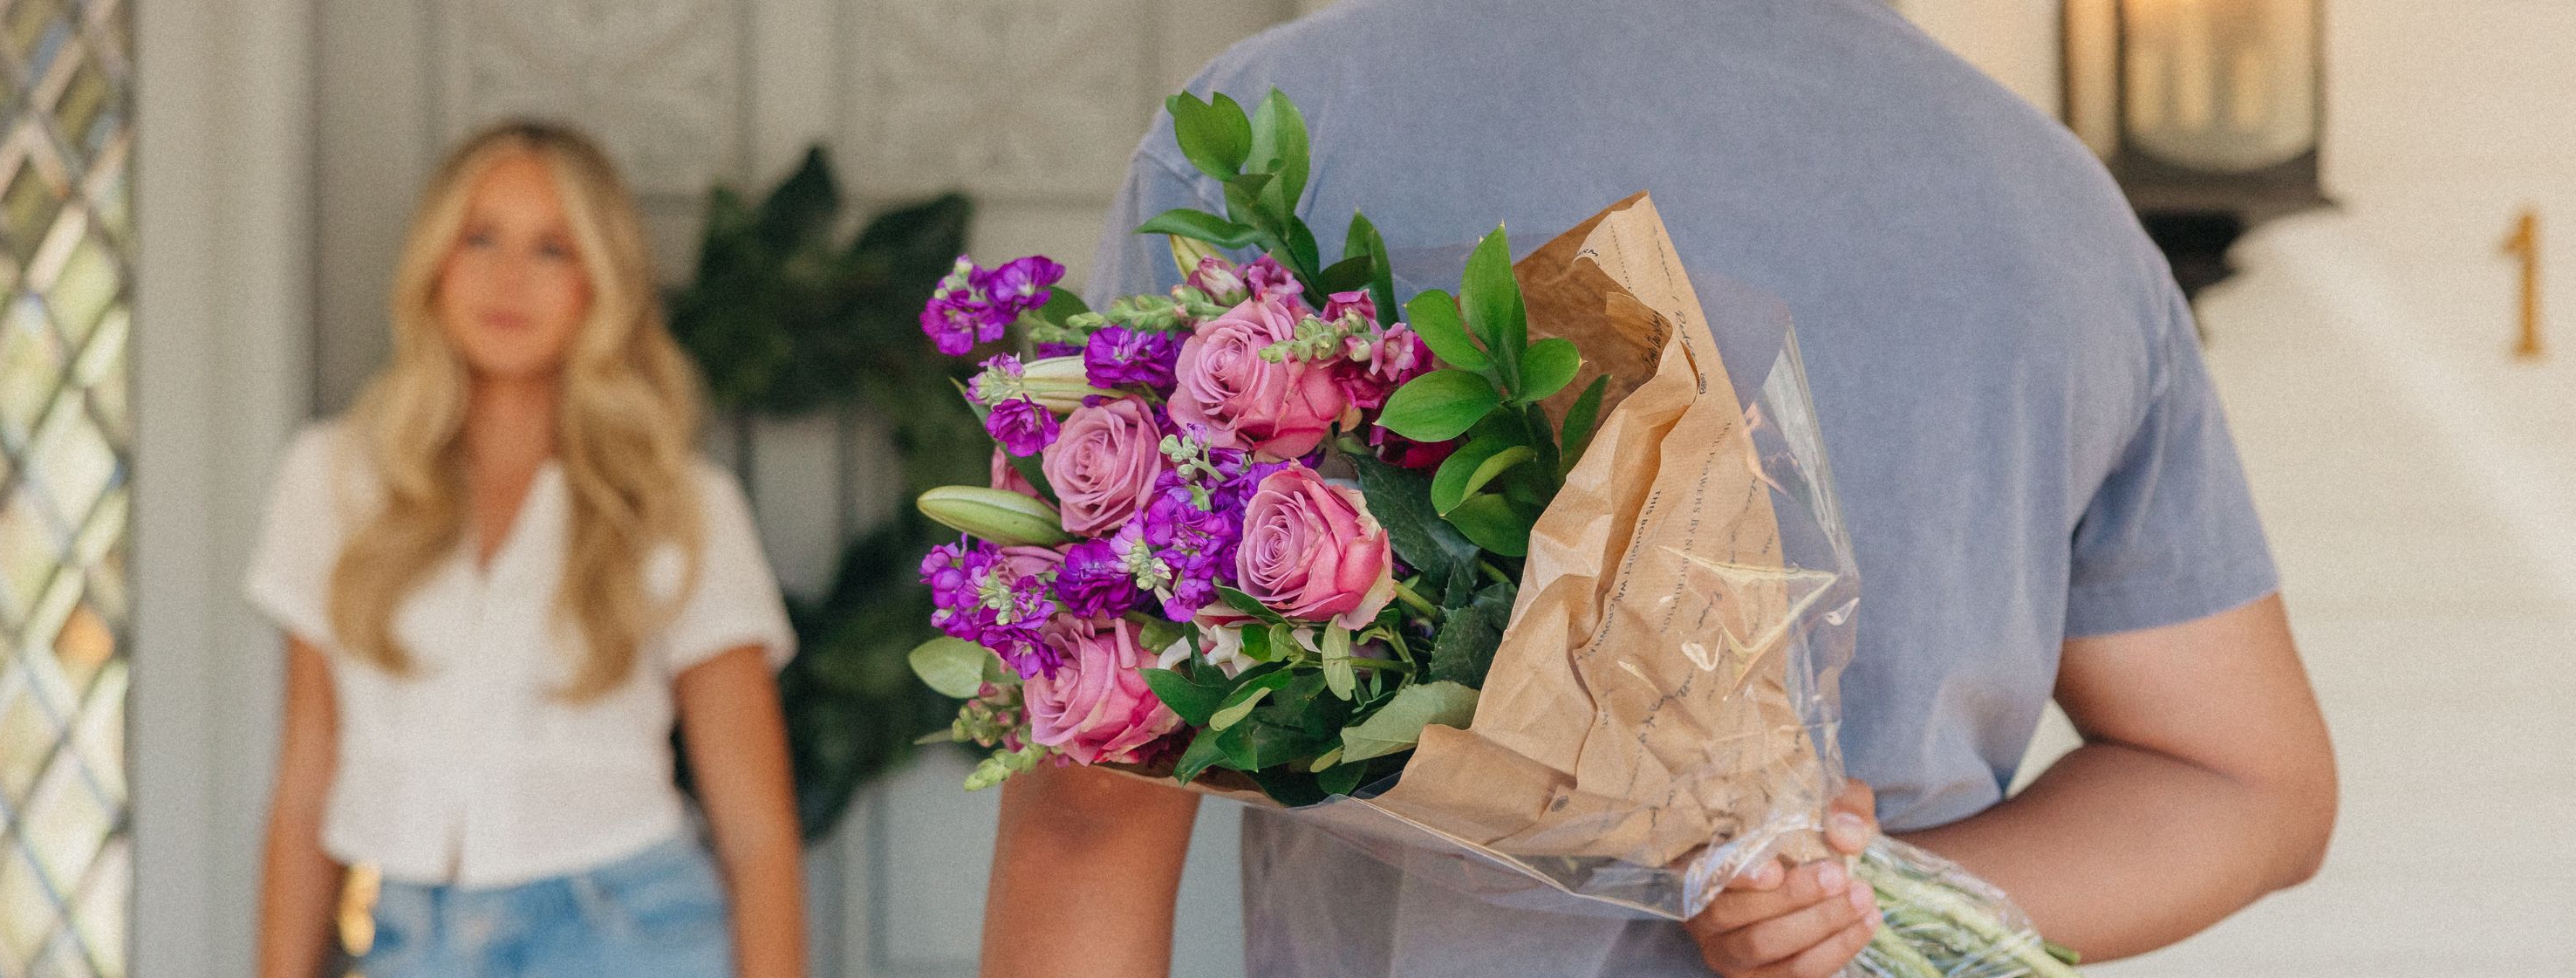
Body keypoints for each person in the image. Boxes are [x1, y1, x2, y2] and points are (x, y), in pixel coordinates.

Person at [982, 1, 2338, 976]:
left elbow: (1092, 807)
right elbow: (2245, 783)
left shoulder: (1294, 129)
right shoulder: (2054, 205)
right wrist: (1847, 908)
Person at [248, 121, 806, 978]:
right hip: (407, 936)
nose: (508, 278)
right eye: (480, 238)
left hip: (625, 929)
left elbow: (755, 828)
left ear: (601, 282)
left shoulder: (679, 505)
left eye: (552, 248)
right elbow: (304, 786)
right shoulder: (332, 479)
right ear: (434, 262)